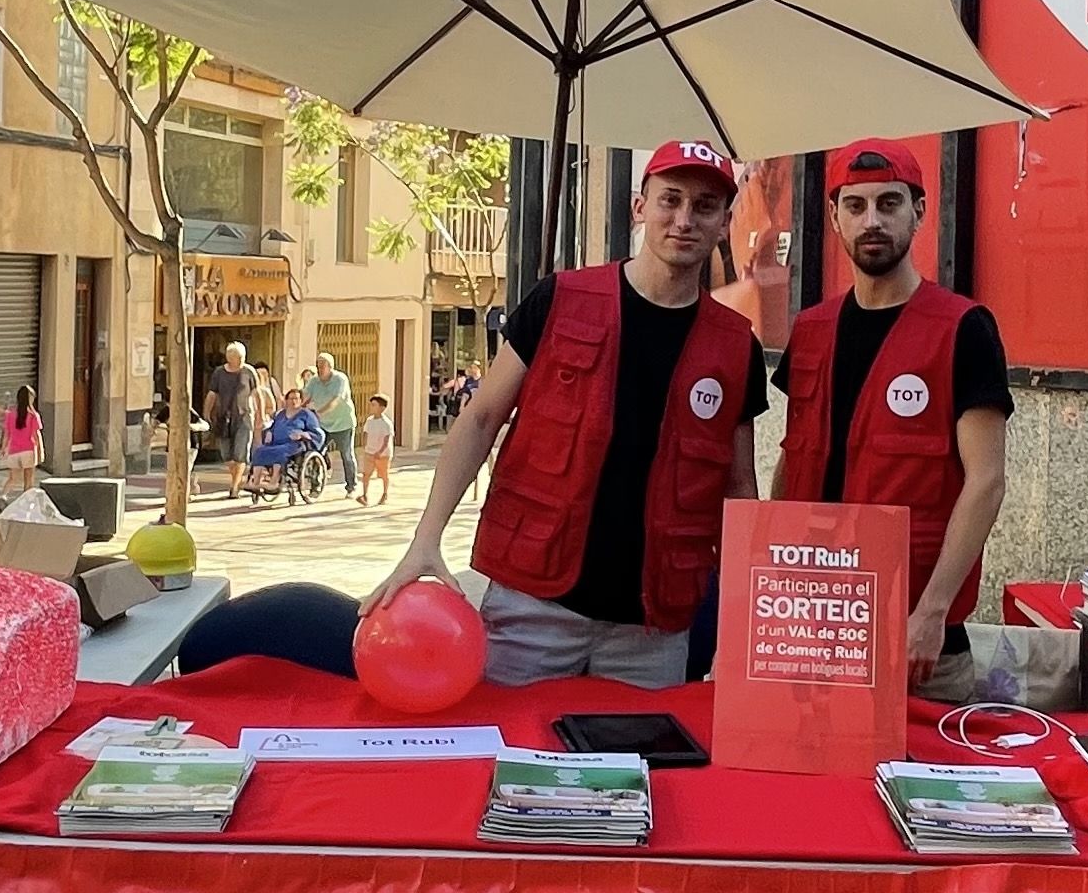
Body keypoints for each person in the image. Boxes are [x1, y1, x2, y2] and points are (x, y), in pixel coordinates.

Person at [370, 143, 764, 687]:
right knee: (509, 758)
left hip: (653, 630)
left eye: (704, 205)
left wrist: (746, 622)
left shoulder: (736, 345)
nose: (683, 219)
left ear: (724, 222)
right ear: (639, 207)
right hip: (532, 606)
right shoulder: (560, 298)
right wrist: (425, 538)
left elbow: (739, 490)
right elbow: (482, 418)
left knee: (644, 770)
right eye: (669, 200)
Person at [771, 139, 1012, 697]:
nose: (871, 220)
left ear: (919, 212)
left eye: (889, 203)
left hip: (916, 639)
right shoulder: (810, 330)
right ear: (833, 218)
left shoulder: (963, 328)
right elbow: (793, 460)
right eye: (854, 206)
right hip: (812, 628)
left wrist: (933, 612)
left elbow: (987, 482)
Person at [203, 342, 253, 500]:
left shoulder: (249, 372)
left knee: (240, 454)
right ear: (229, 358)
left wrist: (259, 415)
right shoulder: (219, 373)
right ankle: (236, 479)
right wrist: (206, 413)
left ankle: (234, 487)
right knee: (227, 456)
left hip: (244, 418)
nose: (240, 360)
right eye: (237, 357)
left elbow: (257, 394)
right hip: (224, 418)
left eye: (242, 357)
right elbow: (212, 394)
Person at [304, 350, 359, 493]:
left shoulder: (340, 379)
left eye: (323, 366)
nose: (320, 370)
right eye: (318, 366)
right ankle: (315, 485)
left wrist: (319, 412)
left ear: (331, 367)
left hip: (343, 423)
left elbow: (335, 400)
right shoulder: (314, 381)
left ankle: (351, 486)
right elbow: (305, 397)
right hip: (323, 425)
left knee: (346, 455)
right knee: (316, 452)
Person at [0, 381, 45, 500]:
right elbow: (36, 436)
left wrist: (3, 449)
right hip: (28, 450)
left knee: (12, 478)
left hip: (14, 451)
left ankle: (3, 496)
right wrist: (40, 452)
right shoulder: (33, 416)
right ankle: (26, 501)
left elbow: (7, 435)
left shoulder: (10, 415)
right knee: (28, 479)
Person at [358, 390, 395, 506]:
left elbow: (386, 439)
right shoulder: (369, 421)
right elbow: (365, 433)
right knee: (366, 474)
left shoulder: (386, 423)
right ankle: (364, 495)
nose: (371, 407)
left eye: (374, 405)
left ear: (382, 408)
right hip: (370, 451)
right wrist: (365, 447)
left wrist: (380, 451)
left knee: (383, 474)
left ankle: (385, 493)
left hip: (382, 454)